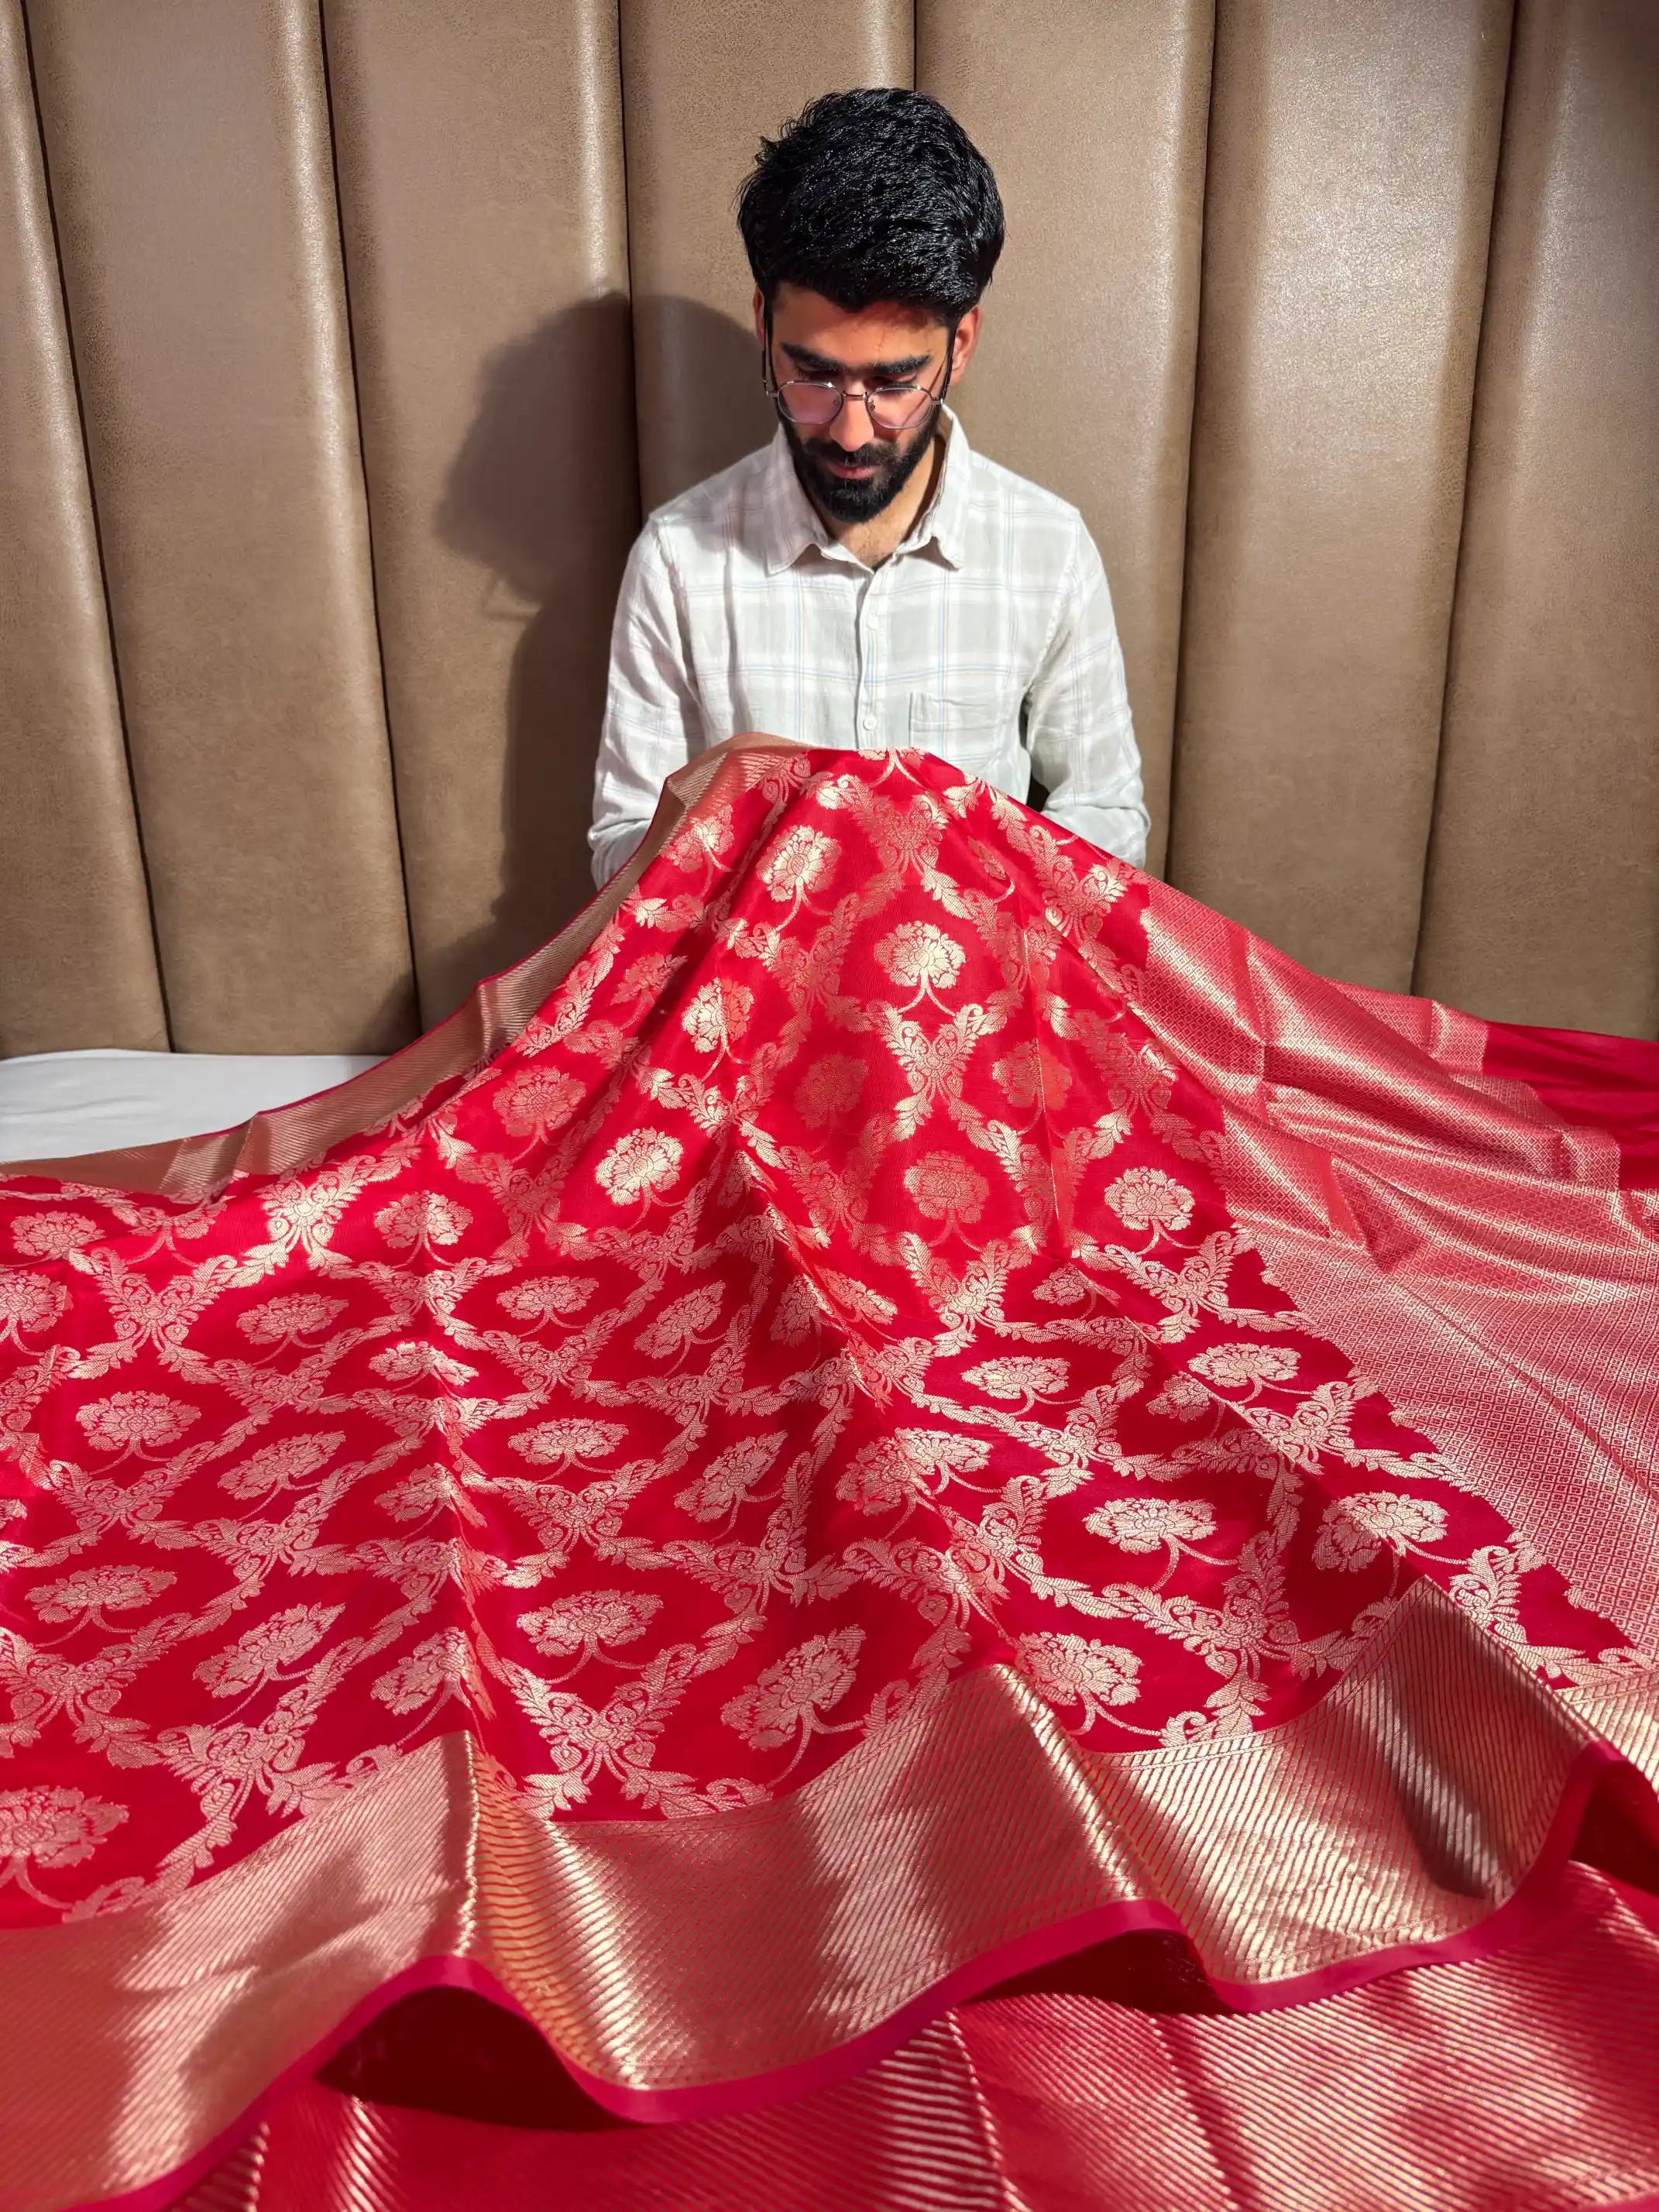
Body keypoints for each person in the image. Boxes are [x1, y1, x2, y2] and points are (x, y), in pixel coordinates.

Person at [589, 88, 1149, 889]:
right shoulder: (679, 560)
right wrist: (733, 824)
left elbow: (1107, 813)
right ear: (764, 325)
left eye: (893, 382)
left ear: (961, 344)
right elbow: (618, 851)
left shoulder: (1046, 549)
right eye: (812, 374)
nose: (851, 430)